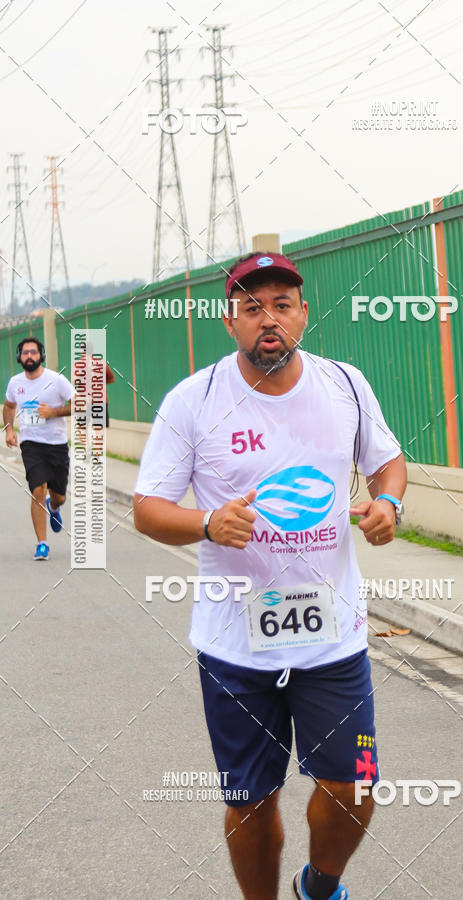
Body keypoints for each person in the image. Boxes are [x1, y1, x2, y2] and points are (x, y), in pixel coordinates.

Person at [133, 252, 407, 900]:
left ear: (303, 315)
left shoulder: (345, 384)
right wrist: (205, 524)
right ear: (231, 322)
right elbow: (147, 508)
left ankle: (321, 884)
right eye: (252, 307)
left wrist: (389, 503)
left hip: (336, 641)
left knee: (359, 781)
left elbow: (389, 462)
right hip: (234, 649)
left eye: (282, 304)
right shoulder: (193, 401)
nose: (269, 320)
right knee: (251, 803)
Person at [3, 337, 73, 560]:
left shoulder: (57, 380)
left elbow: (79, 404)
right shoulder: (15, 382)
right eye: (25, 353)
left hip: (57, 444)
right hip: (31, 444)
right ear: (19, 357)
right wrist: (9, 430)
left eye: (33, 352)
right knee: (37, 491)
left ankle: (55, 507)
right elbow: (9, 406)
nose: (29, 356)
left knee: (60, 496)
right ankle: (42, 544)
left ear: (41, 355)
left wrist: (53, 413)